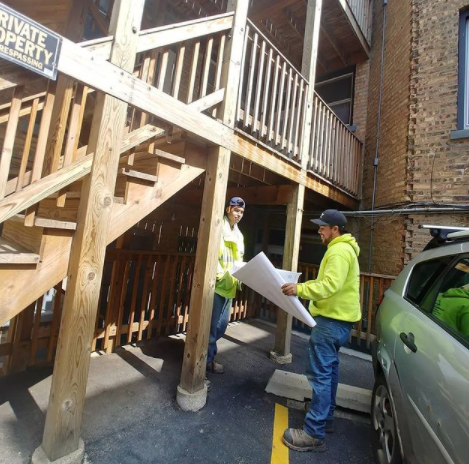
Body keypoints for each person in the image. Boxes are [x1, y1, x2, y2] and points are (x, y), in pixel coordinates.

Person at [281, 209, 361, 453]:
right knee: (330, 373)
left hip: (329, 323)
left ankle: (313, 433)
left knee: (320, 376)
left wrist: (299, 290)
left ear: (335, 229)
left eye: (323, 227)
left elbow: (330, 285)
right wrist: (302, 287)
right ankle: (324, 419)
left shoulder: (337, 251)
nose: (319, 230)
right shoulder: (346, 250)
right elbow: (328, 283)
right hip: (341, 323)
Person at [206, 196, 245, 374]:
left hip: (230, 286)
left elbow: (239, 259)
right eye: (236, 210)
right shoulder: (218, 227)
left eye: (242, 212)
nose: (239, 214)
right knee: (211, 328)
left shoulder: (239, 234)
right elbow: (211, 255)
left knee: (220, 327)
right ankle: (203, 366)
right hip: (217, 285)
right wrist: (220, 276)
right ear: (228, 209)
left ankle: (209, 359)